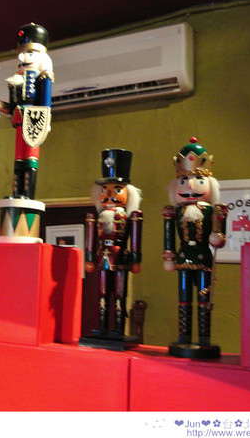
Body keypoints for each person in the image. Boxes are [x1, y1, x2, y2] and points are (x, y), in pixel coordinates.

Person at [163, 137, 227, 358]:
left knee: (203, 297)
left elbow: (219, 237)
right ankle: (184, 335)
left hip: (203, 257)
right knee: (183, 297)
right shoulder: (175, 211)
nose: (190, 186)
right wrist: (169, 254)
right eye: (184, 181)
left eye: (198, 180)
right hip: (183, 257)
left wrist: (217, 235)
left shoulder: (213, 211)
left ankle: (203, 337)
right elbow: (168, 233)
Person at [80, 149, 143, 350]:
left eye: (116, 189)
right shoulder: (97, 216)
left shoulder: (130, 216)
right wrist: (89, 257)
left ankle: (118, 327)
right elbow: (91, 238)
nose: (109, 194)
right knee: (102, 292)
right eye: (104, 189)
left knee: (119, 293)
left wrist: (136, 259)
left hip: (120, 256)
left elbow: (135, 238)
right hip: (102, 256)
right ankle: (101, 325)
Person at [0, 23, 53, 199]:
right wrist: (1, 106)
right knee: (18, 158)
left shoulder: (43, 76)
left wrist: (46, 121)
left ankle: (27, 194)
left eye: (30, 52)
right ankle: (16, 192)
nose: (24, 56)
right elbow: (12, 106)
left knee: (30, 158)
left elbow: (45, 100)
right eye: (22, 52)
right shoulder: (16, 80)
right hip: (19, 119)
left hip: (35, 119)